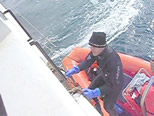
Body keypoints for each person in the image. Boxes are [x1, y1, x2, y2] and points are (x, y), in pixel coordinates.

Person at [66, 32, 124, 116]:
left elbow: (113, 84)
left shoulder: (113, 60)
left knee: (108, 106)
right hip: (104, 75)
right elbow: (88, 61)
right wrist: (76, 69)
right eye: (91, 46)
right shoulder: (96, 52)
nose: (91, 49)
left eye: (94, 47)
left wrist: (96, 92)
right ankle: (98, 111)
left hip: (114, 83)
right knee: (90, 88)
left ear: (102, 46)